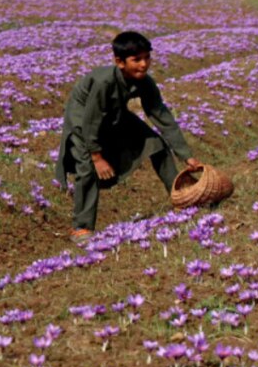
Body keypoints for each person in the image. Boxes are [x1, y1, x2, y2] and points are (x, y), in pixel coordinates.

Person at [56, 31, 201, 242]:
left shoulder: (144, 81)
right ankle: (82, 228)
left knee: (156, 144)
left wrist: (186, 155)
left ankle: (182, 197)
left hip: (114, 115)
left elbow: (162, 116)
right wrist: (97, 156)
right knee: (86, 169)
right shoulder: (104, 82)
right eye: (137, 59)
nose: (144, 64)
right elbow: (91, 121)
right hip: (82, 122)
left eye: (147, 57)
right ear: (119, 62)